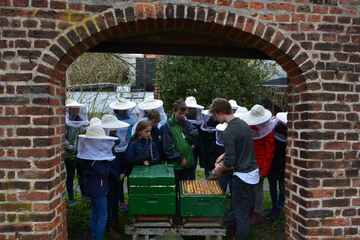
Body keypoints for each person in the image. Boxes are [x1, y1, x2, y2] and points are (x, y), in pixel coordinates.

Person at [210, 98, 259, 240]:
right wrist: (224, 154)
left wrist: (219, 169)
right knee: (241, 208)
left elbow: (231, 161)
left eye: (215, 115)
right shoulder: (243, 124)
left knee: (241, 213)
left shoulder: (229, 131)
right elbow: (243, 145)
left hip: (243, 176)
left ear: (221, 111)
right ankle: (234, 232)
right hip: (251, 172)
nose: (214, 118)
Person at [77, 125, 118, 240]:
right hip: (98, 188)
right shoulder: (96, 158)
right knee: (103, 216)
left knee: (95, 215)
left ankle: (93, 237)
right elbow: (104, 173)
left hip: (91, 187)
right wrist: (106, 164)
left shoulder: (88, 155)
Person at [241, 104, 275, 224]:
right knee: (250, 187)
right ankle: (251, 208)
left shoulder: (268, 130)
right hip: (249, 162)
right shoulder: (250, 125)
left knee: (257, 188)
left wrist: (264, 171)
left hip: (260, 164)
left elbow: (270, 152)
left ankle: (257, 212)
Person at [101, 114, 130, 239]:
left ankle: (115, 221)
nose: (115, 130)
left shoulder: (117, 138)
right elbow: (105, 162)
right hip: (109, 176)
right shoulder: (102, 141)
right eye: (112, 128)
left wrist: (123, 172)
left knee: (117, 199)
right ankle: (108, 227)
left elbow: (122, 155)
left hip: (119, 174)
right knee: (109, 201)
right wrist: (115, 175)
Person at [162, 100, 199, 190]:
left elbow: (195, 135)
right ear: (174, 111)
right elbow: (167, 147)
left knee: (185, 190)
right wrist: (179, 159)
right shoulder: (168, 125)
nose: (182, 116)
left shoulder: (185, 123)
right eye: (180, 113)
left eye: (184, 113)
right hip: (176, 164)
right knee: (176, 189)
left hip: (187, 163)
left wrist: (186, 124)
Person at [65, 99, 89, 206]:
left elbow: (85, 132)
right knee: (70, 175)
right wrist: (70, 147)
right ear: (69, 109)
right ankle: (71, 197)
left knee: (82, 174)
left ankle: (84, 195)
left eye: (78, 108)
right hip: (70, 153)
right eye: (75, 108)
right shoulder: (65, 121)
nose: (77, 110)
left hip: (81, 152)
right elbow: (62, 137)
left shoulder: (81, 119)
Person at [266, 112, 287, 219]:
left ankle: (279, 208)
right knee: (272, 185)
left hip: (283, 163)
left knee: (283, 188)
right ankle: (274, 206)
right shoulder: (272, 129)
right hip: (273, 161)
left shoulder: (289, 133)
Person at [185, 96, 204, 180]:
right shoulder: (182, 118)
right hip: (184, 149)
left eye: (193, 108)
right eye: (189, 108)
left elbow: (200, 135)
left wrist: (194, 145)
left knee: (192, 172)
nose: (191, 110)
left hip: (194, 151)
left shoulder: (199, 119)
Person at [198, 109, 219, 179]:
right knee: (208, 178)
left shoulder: (219, 127)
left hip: (216, 157)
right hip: (207, 156)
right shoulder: (203, 128)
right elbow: (202, 147)